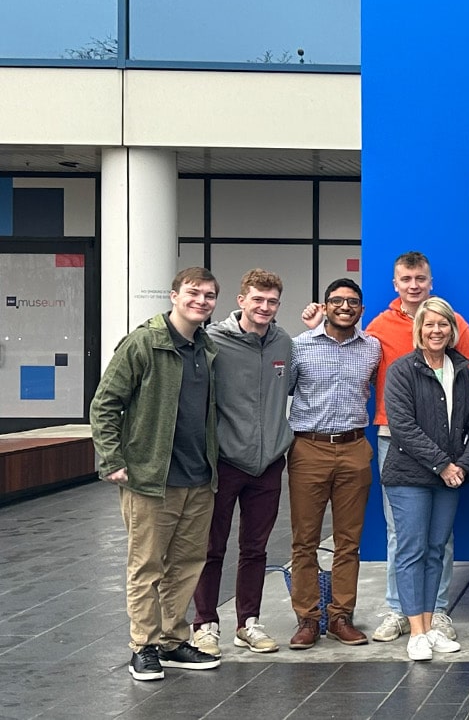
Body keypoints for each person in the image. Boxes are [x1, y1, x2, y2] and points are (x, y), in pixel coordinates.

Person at [90, 267, 224, 680]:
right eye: (193, 292)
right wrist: (111, 459)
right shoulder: (143, 343)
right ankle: (143, 646)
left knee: (186, 565)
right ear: (174, 295)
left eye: (208, 295)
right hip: (152, 479)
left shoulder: (206, 348)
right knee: (146, 566)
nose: (201, 300)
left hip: (198, 478)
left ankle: (171, 641)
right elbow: (105, 404)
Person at [365, 251, 469, 644]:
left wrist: (459, 457)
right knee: (402, 534)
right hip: (395, 440)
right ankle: (400, 610)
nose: (413, 285)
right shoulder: (380, 325)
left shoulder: (456, 323)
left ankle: (438, 610)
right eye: (406, 279)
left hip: (447, 446)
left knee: (439, 538)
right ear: (395, 283)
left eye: (420, 278)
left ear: (430, 282)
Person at [190, 269, 294, 657]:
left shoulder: (284, 342)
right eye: (258, 300)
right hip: (224, 462)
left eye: (272, 302)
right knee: (211, 547)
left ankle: (248, 622)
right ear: (241, 300)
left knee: (256, 548)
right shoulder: (212, 341)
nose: (265, 308)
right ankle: (204, 624)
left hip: (268, 464)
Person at [285, 278, 380, 650]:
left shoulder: (372, 348)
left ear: (361, 309)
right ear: (323, 307)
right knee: (304, 540)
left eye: (353, 301)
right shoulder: (299, 347)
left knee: (348, 541)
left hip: (355, 448)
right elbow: (285, 390)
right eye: (336, 301)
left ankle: (340, 616)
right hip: (309, 448)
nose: (345, 306)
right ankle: (308, 618)